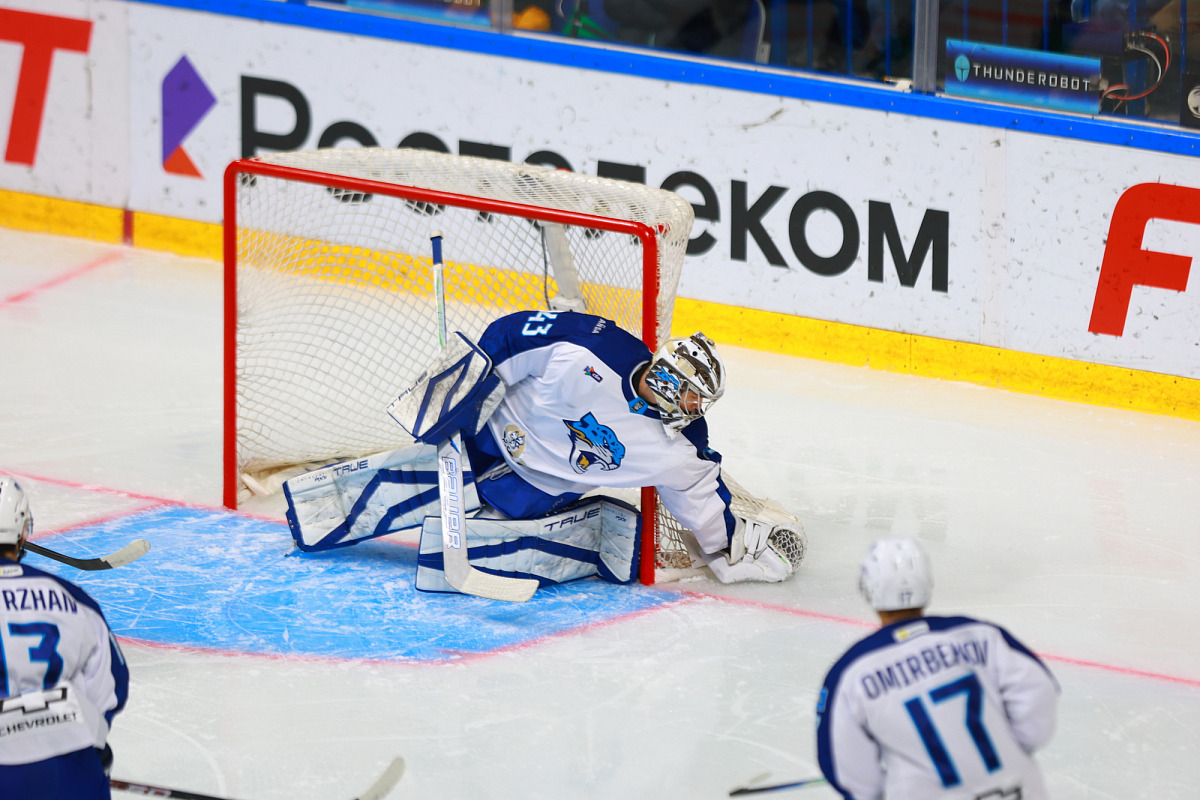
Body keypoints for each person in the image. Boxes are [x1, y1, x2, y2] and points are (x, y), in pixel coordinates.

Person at [285, 309, 805, 586]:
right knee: (406, 487)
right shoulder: (592, 346)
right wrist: (459, 388)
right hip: (486, 435)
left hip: (537, 491)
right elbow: (509, 335)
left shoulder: (682, 447)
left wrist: (727, 544)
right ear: (671, 380)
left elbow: (700, 501)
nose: (694, 409)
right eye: (691, 395)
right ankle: (322, 512)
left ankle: (581, 533)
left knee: (473, 545)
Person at [816, 537, 1059, 799]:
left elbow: (846, 768)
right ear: (927, 582)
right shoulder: (980, 635)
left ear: (867, 588)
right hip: (1017, 790)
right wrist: (1009, 748)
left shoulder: (852, 672)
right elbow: (1038, 690)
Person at [0, 476, 130, 799]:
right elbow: (110, 690)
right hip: (71, 767)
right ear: (22, 530)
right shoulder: (75, 600)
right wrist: (89, 747)